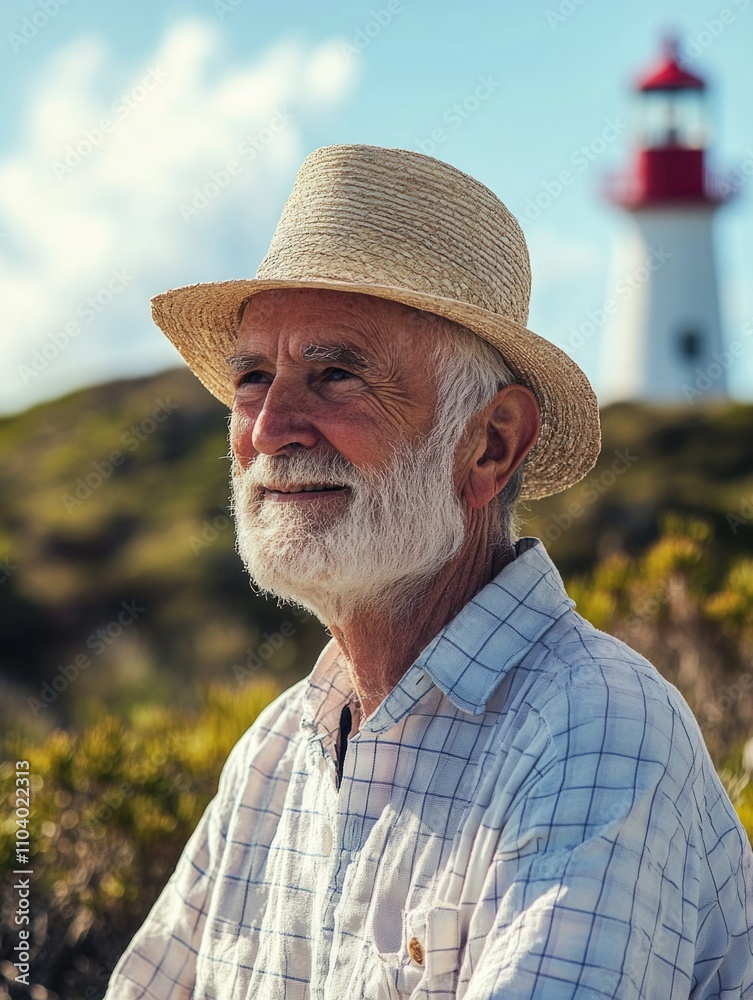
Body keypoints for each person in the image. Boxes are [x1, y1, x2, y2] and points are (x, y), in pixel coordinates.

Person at [105, 144, 753, 999]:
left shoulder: (591, 733)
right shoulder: (275, 754)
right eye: (253, 378)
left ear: (489, 445)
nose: (268, 430)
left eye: (335, 375)